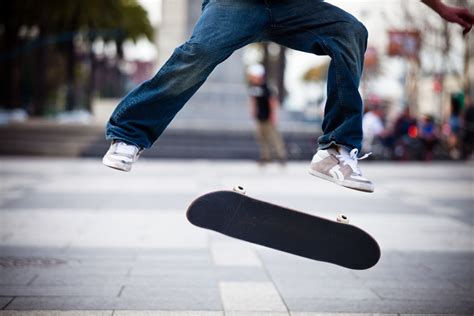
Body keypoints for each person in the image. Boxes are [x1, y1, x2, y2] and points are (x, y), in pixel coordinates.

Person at [102, 0, 474, 193]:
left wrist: (440, 9)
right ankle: (129, 134)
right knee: (198, 52)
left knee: (350, 32)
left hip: (295, 9)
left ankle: (335, 151)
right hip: (236, 6)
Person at [247, 64, 287, 165]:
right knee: (261, 137)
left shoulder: (266, 87)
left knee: (274, 137)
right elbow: (253, 100)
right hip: (259, 117)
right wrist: (253, 110)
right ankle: (265, 156)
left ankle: (281, 156)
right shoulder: (253, 87)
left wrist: (273, 114)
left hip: (268, 116)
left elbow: (272, 101)